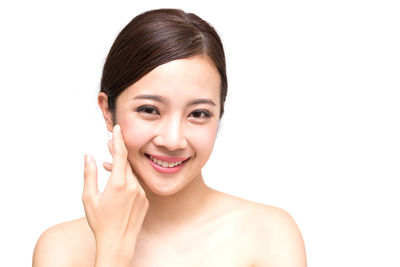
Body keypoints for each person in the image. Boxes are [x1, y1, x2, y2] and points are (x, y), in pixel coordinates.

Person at [32, 8, 307, 267]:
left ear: (219, 113)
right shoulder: (61, 249)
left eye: (198, 114)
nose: (173, 140)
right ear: (108, 111)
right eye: (149, 110)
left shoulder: (269, 235)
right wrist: (112, 251)